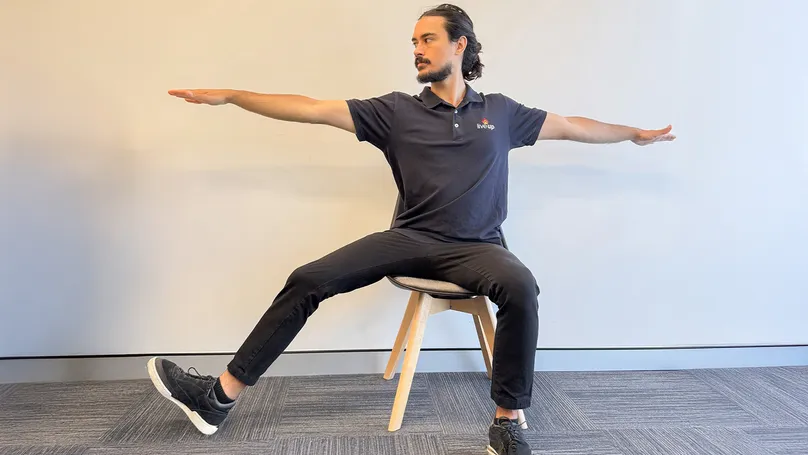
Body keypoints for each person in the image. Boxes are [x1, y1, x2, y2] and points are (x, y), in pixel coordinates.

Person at [147, 4, 675, 454]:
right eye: (413, 42)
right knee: (308, 277)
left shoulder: (502, 113)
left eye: (427, 39)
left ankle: (506, 423)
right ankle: (218, 397)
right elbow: (310, 109)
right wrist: (236, 95)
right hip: (409, 240)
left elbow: (574, 126)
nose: (417, 49)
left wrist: (633, 135)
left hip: (477, 248)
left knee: (521, 287)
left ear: (459, 45)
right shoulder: (394, 112)